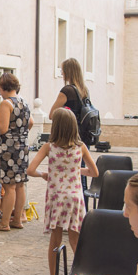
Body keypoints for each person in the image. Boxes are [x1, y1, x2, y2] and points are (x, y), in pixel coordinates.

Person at [27, 108, 99, 275]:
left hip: (56, 197)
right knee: (75, 240)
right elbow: (94, 172)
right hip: (74, 197)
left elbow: (30, 170)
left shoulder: (49, 147)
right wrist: (75, 170)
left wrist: (45, 174)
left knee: (55, 239)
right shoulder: (80, 147)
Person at [0, 73, 32, 233]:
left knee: (9, 187)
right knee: (20, 184)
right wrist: (20, 134)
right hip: (22, 147)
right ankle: (17, 219)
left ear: (2, 87)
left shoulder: (6, 104)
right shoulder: (24, 102)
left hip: (8, 149)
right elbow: (31, 122)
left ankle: (4, 222)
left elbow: (1, 128)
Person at [49, 57, 92, 190]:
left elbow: (52, 114)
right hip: (83, 137)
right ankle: (83, 205)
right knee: (81, 173)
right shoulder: (84, 90)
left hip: (69, 138)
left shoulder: (67, 90)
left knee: (68, 173)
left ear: (68, 72)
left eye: (63, 71)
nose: (61, 73)